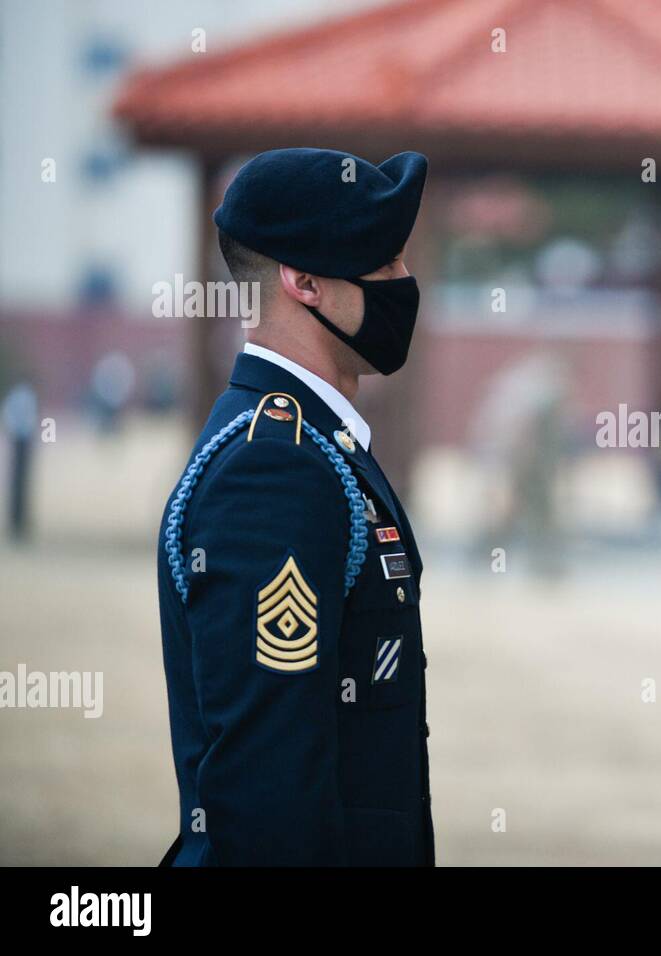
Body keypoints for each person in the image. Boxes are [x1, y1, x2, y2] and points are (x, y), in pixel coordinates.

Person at [156, 148, 434, 865]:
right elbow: (267, 798)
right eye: (384, 263)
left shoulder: (316, 443)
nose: (405, 285)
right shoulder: (274, 467)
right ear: (304, 281)